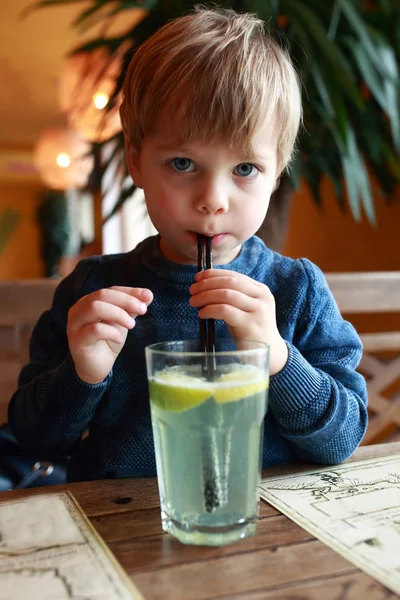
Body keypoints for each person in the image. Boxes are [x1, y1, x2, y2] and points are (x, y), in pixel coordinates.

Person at [8, 7, 368, 483]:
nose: (212, 201)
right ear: (135, 161)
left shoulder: (296, 289)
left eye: (245, 169)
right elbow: (35, 440)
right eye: (182, 163)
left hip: (268, 536)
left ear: (276, 172)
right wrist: (82, 374)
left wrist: (278, 358)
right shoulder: (93, 288)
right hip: (123, 532)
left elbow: (343, 438)